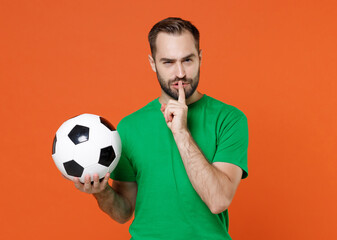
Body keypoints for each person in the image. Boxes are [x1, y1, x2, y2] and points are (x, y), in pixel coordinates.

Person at [72, 17, 249, 239]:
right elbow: (123, 212)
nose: (181, 73)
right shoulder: (129, 127)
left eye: (188, 60)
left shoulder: (229, 119)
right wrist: (102, 192)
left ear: (200, 58)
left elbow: (218, 200)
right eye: (168, 62)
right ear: (152, 62)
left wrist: (181, 132)